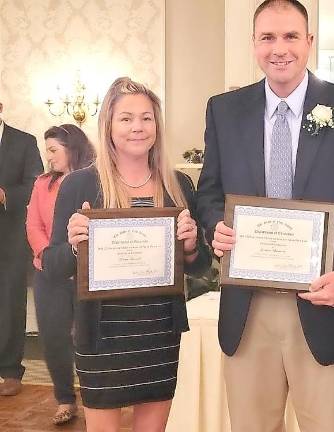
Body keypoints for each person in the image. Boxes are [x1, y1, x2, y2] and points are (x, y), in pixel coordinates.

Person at [196, 1, 334, 431]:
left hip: (326, 303)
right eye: (268, 37)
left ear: (309, 42)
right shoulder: (224, 110)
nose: (279, 48)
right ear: (254, 44)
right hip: (248, 308)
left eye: (290, 36)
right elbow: (209, 192)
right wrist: (215, 227)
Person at [42, 77, 210, 431]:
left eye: (146, 118)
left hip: (159, 330)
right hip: (101, 334)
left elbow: (202, 267)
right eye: (126, 118)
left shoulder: (178, 184)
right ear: (108, 126)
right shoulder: (80, 184)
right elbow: (54, 266)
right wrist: (75, 245)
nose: (138, 127)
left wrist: (192, 246)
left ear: (157, 125)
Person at [26, 124, 95, 424]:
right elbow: (33, 226)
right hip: (48, 273)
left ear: (72, 149)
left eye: (53, 150)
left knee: (88, 338)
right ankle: (65, 399)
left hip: (86, 276)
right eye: (47, 150)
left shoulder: (93, 183)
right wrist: (48, 256)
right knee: (54, 338)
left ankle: (96, 398)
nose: (48, 156)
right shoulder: (42, 183)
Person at [0, 102, 43, 396]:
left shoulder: (24, 141)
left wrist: (4, 195)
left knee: (10, 303)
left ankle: (11, 370)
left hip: (11, 238)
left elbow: (35, 184)